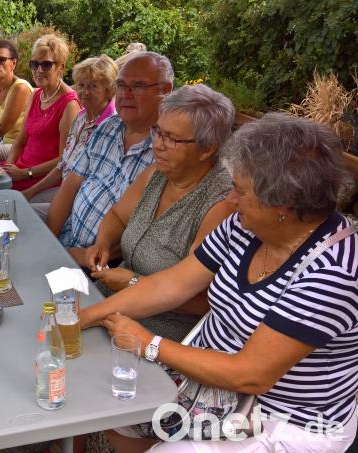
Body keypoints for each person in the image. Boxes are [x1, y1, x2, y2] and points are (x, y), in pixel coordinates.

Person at [82, 113, 358, 452]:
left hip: (281, 417)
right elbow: (171, 285)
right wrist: (87, 315)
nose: (229, 199)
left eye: (240, 190)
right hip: (209, 382)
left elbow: (250, 375)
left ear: (282, 205)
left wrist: (149, 343)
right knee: (112, 408)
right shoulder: (246, 226)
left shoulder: (333, 274)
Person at [85, 84, 235, 341]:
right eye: (157, 132)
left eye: (171, 139)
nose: (157, 145)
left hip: (154, 332)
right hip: (109, 304)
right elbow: (118, 216)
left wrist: (133, 282)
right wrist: (103, 244)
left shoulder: (221, 204)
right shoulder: (159, 172)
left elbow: (203, 301)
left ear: (207, 148)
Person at [47, 52, 173, 263]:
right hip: (67, 240)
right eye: (121, 86)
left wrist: (85, 258)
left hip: (102, 266)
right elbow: (71, 185)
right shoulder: (109, 126)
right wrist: (49, 241)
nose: (125, 94)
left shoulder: (168, 150)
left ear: (165, 91)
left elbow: (140, 236)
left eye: (138, 86)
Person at [23, 55, 118, 216]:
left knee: (24, 212)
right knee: (21, 201)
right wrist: (30, 192)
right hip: (64, 189)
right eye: (81, 85)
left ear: (108, 91)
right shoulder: (81, 118)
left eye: (93, 86)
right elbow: (62, 165)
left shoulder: (110, 127)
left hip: (83, 203)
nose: (85, 92)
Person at [2, 34, 81, 191]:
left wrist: (26, 173)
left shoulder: (69, 105)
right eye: (34, 64)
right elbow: (21, 140)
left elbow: (64, 159)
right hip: (21, 168)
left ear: (61, 67)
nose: (38, 70)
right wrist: (8, 170)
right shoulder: (36, 95)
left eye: (46, 64)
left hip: (42, 178)